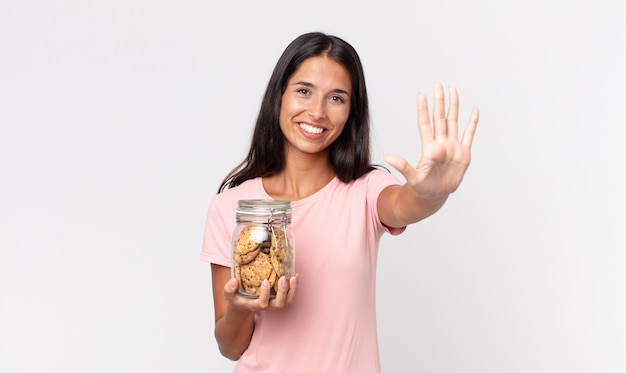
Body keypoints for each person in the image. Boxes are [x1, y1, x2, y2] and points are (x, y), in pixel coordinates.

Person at [200, 31, 478, 372]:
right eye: (304, 91)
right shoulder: (232, 206)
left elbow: (405, 203)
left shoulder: (365, 190)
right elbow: (230, 347)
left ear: (351, 112)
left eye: (336, 98)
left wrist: (433, 191)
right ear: (280, 96)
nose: (317, 112)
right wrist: (242, 305)